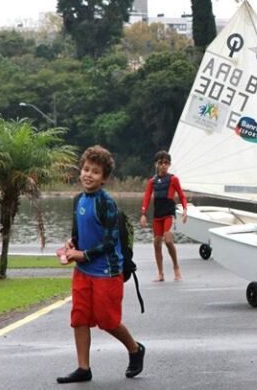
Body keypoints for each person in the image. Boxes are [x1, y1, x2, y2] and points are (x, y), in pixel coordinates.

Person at [57, 145, 145, 384]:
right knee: (79, 318)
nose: (88, 175)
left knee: (108, 321)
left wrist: (82, 254)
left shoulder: (106, 203)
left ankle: (135, 349)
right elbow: (79, 233)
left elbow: (110, 242)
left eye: (95, 172)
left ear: (104, 178)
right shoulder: (79, 200)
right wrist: (71, 244)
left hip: (107, 272)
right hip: (83, 271)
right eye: (86, 169)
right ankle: (83, 368)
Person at [140, 150, 188, 282]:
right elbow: (146, 197)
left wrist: (185, 210)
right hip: (157, 215)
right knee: (156, 243)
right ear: (156, 164)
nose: (163, 166)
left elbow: (182, 196)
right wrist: (143, 214)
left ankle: (176, 267)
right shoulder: (152, 181)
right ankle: (160, 273)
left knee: (168, 240)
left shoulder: (173, 179)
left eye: (166, 163)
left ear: (169, 165)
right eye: (161, 163)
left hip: (168, 214)